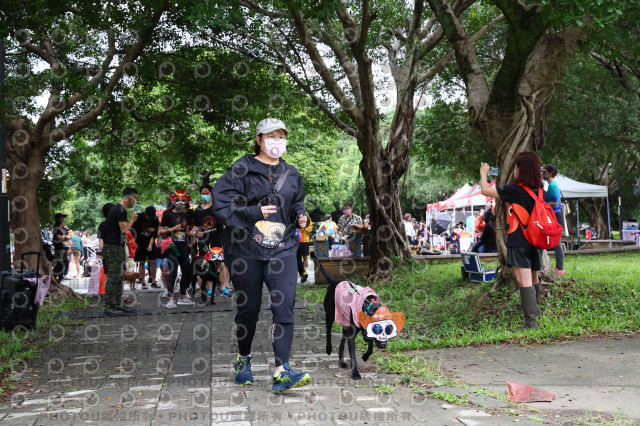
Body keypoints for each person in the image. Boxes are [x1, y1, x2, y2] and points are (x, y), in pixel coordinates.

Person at [212, 117, 311, 391]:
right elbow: (222, 205)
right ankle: (243, 360)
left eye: (281, 136)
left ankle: (282, 371)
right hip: (245, 250)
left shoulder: (291, 173)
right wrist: (254, 211)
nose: (277, 141)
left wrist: (300, 215)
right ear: (259, 140)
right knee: (249, 309)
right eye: (271, 136)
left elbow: (297, 201)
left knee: (284, 306)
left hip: (282, 249)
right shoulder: (240, 169)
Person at [480, 152, 545, 329]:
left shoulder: (515, 190)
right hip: (537, 241)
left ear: (522, 170)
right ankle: (536, 310)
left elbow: (485, 190)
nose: (515, 170)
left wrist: (484, 173)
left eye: (516, 167)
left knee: (524, 282)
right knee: (534, 277)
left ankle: (531, 323)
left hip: (519, 241)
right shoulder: (541, 191)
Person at [102, 188, 139, 317]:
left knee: (119, 277)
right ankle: (109, 306)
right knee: (113, 277)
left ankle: (118, 305)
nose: (136, 201)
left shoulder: (119, 210)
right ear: (129, 198)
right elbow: (124, 230)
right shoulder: (120, 210)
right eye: (135, 198)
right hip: (112, 248)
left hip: (117, 247)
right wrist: (132, 220)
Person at [193, 184, 232, 297]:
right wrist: (197, 232)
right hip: (204, 241)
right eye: (203, 193)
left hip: (218, 239)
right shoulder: (198, 210)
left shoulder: (216, 207)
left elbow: (224, 222)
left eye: (207, 193)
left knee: (222, 263)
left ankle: (224, 287)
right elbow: (196, 226)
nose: (205, 195)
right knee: (207, 264)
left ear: (211, 194)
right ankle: (210, 288)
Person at [160, 189, 196, 308]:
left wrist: (195, 234)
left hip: (183, 246)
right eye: (178, 201)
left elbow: (186, 232)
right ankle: (170, 299)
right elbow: (160, 231)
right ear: (173, 201)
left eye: (182, 201)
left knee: (187, 271)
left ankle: (182, 297)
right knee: (173, 271)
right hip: (171, 246)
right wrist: (173, 228)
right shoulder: (167, 214)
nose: (180, 203)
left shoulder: (185, 215)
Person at [543, 164, 565, 275]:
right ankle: (559, 268)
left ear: (551, 173)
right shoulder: (550, 184)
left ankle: (560, 268)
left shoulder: (552, 185)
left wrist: (542, 206)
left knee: (557, 243)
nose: (544, 173)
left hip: (556, 215)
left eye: (545, 171)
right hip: (554, 215)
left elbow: (554, 202)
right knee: (556, 242)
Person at [132, 205, 159, 289]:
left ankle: (153, 281)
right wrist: (134, 243)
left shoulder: (155, 218)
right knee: (141, 262)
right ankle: (143, 282)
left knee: (153, 262)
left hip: (151, 241)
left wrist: (153, 230)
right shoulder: (138, 217)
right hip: (139, 242)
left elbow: (158, 229)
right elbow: (132, 231)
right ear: (145, 213)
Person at [52, 213, 70, 282]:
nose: (63, 218)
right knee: (59, 263)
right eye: (61, 217)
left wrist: (64, 237)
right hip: (59, 247)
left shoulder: (64, 227)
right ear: (57, 219)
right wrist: (65, 237)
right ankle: (54, 277)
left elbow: (69, 236)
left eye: (63, 217)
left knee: (65, 262)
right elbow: (58, 237)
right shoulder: (55, 227)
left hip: (66, 247)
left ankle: (60, 278)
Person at [296, 212, 312, 283]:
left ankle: (304, 272)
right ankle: (299, 272)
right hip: (296, 240)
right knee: (297, 257)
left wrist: (304, 228)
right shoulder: (295, 213)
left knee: (305, 257)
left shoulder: (306, 215)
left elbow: (310, 226)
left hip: (305, 240)